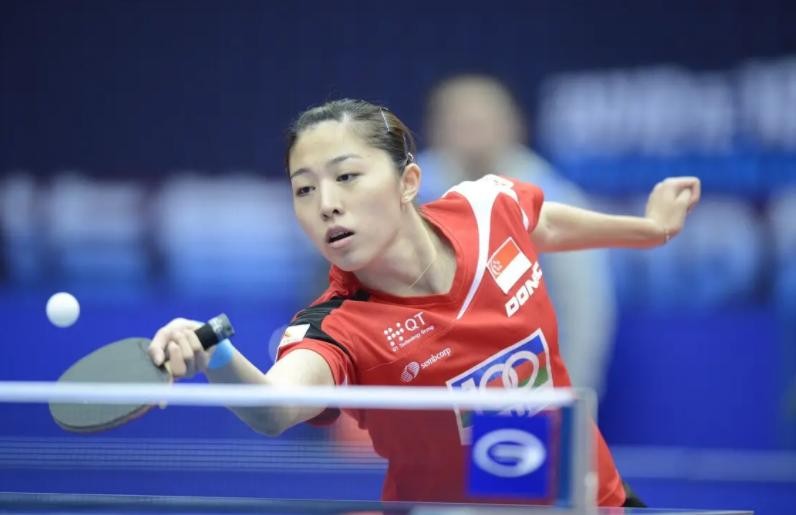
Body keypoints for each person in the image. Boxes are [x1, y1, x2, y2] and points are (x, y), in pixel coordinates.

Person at [148, 99, 700, 507]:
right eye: (304, 189)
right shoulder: (337, 327)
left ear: (408, 181)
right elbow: (274, 408)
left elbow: (542, 223)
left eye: (347, 176)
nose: (327, 204)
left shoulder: (485, 208)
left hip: (593, 502)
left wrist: (649, 230)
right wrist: (216, 354)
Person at [418, 74, 616, 398]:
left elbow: (583, 309)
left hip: (525, 384)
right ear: (435, 131)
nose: (473, 137)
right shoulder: (404, 194)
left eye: (482, 124)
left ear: (514, 127)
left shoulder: (555, 200)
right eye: (460, 125)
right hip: (422, 387)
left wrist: (569, 397)